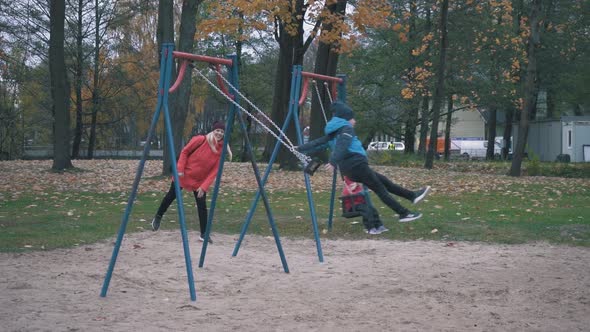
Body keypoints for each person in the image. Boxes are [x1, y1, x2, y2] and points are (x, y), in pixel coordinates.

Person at [297, 101, 430, 222]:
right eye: (352, 119)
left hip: (350, 169)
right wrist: (332, 161)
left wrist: (300, 148)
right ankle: (403, 213)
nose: (354, 121)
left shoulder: (333, 132)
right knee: (381, 189)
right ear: (346, 119)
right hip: (356, 164)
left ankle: (412, 196)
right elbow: (342, 145)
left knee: (384, 182)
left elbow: (318, 143)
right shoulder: (346, 129)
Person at [151, 121, 232, 243]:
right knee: (170, 196)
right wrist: (180, 170)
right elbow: (185, 152)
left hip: (199, 181)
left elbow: (215, 171)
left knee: (202, 206)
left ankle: (204, 234)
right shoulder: (201, 140)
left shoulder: (221, 150)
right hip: (184, 174)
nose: (219, 133)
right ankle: (158, 216)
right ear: (213, 130)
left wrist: (204, 186)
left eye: (221, 131)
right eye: (217, 130)